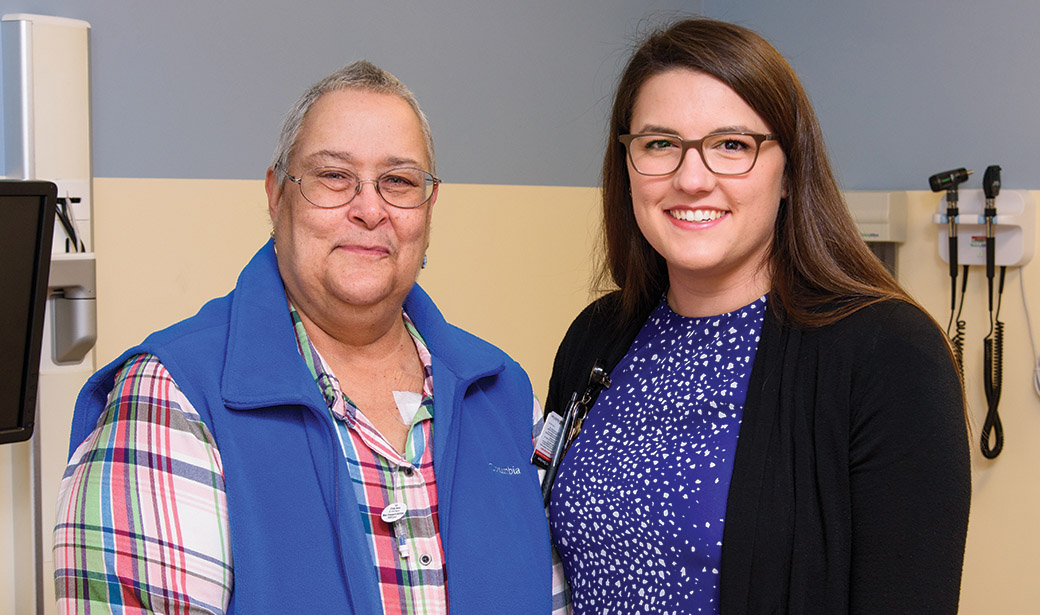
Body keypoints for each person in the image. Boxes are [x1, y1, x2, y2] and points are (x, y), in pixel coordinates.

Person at [54, 60, 563, 614]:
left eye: (398, 182)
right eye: (333, 176)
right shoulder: (170, 398)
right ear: (276, 196)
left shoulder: (504, 396)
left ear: (428, 208)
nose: (370, 210)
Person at [542, 18, 971, 615]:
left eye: (732, 145)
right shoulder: (597, 338)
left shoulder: (888, 355)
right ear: (627, 163)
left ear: (790, 169)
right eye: (660, 144)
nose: (692, 179)